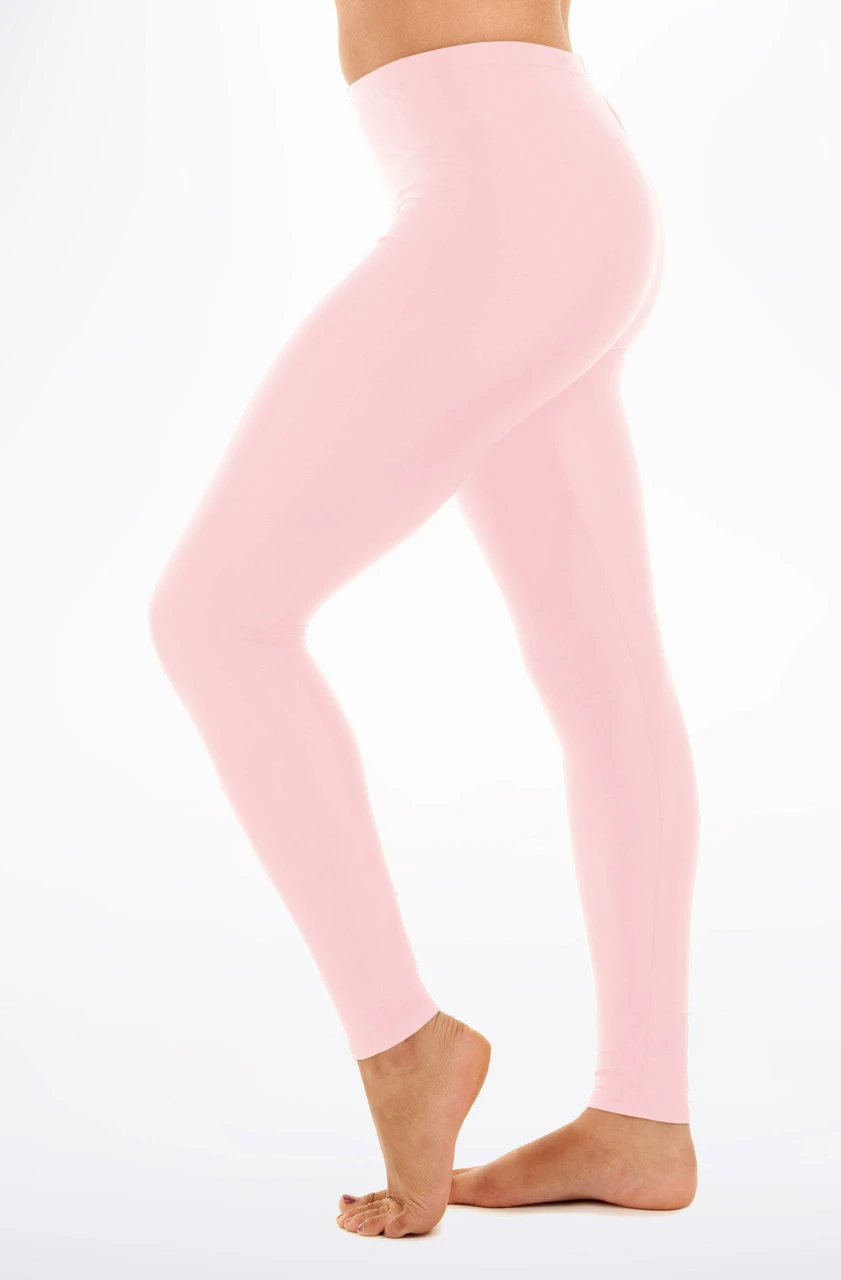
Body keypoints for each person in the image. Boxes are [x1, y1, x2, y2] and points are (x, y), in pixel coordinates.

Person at [148, 0, 700, 1239]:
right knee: (605, 678)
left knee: (215, 618)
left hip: (504, 204)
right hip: (553, 174)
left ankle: (404, 1041)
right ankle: (644, 1114)